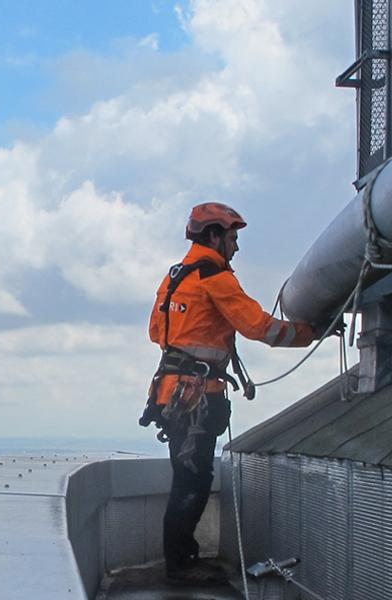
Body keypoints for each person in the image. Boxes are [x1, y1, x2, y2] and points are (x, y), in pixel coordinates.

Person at [143, 201, 330, 583]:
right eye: (232, 237)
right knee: (192, 480)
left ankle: (184, 558)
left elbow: (156, 332)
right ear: (214, 235)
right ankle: (179, 567)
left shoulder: (176, 275)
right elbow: (258, 326)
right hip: (196, 397)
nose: (237, 247)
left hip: (171, 393)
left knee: (188, 476)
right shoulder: (215, 275)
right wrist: (312, 332)